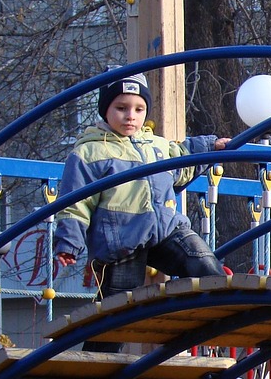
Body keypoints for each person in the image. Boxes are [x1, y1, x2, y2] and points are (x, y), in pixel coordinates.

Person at [54, 72, 230, 349]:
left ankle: (200, 327)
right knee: (116, 315)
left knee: (205, 266)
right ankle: (96, 369)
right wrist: (68, 242)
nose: (130, 117)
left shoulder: (157, 146)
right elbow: (74, 204)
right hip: (120, 241)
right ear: (106, 110)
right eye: (121, 108)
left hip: (165, 230)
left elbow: (183, 159)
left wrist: (210, 147)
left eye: (138, 109)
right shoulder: (89, 153)